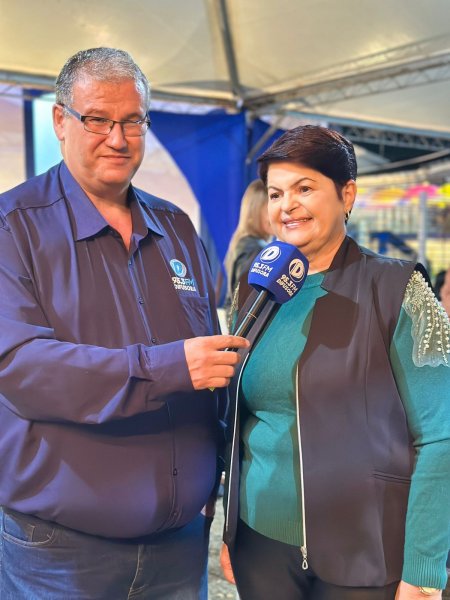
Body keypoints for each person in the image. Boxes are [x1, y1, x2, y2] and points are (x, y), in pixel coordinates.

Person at [0, 47, 249, 599]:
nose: (117, 138)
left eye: (132, 121)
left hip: (180, 549)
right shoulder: (12, 227)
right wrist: (168, 368)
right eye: (97, 119)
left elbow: (214, 377)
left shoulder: (177, 226)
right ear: (60, 120)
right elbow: (20, 367)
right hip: (60, 557)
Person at [220, 125, 450, 599]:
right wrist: (230, 531)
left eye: (304, 188)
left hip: (365, 553)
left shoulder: (398, 288)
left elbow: (441, 434)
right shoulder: (254, 289)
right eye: (276, 193)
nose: (287, 206)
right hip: (260, 548)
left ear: (347, 194)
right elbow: (239, 421)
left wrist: (424, 569)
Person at [223, 179, 273, 323]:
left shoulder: (241, 244)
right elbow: (246, 303)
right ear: (255, 211)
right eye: (269, 208)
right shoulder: (256, 249)